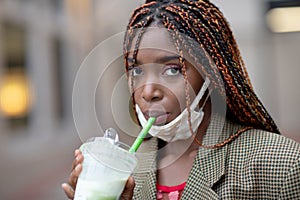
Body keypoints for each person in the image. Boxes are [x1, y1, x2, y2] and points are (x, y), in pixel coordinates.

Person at [62, 0, 300, 199]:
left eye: (172, 69)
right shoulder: (128, 171)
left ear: (211, 73)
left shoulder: (282, 165)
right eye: (137, 71)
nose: (148, 92)